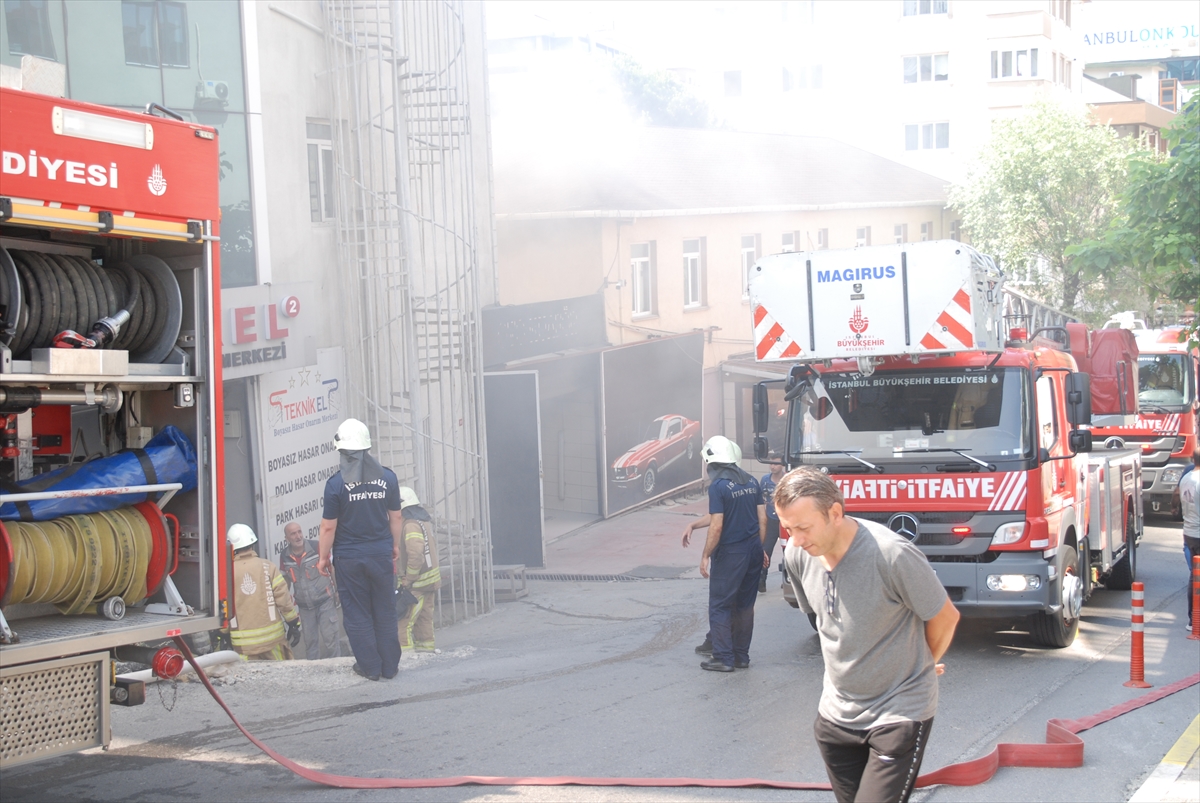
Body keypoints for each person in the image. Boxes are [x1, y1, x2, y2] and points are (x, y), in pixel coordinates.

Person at [775, 467, 960, 803]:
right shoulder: (797, 555)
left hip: (898, 713)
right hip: (836, 718)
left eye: (803, 528)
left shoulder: (891, 555)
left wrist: (922, 664)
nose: (796, 540)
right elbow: (829, 625)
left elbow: (945, 617)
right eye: (788, 528)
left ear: (835, 512)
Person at [317, 418, 404, 681]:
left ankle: (370, 668)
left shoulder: (335, 485)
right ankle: (390, 667)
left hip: (349, 558)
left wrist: (323, 558)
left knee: (357, 613)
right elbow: (396, 517)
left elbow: (328, 528)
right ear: (367, 449)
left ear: (342, 451)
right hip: (380, 555)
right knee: (385, 610)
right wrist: (394, 546)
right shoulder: (388, 478)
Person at [681, 435, 767, 672]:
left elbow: (718, 524)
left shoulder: (718, 487)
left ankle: (723, 657)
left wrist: (705, 555)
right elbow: (762, 520)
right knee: (745, 605)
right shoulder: (751, 481)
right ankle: (741, 656)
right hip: (752, 550)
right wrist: (693, 525)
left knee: (720, 605)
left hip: (732, 553)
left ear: (713, 462)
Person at [225, 523, 301, 661]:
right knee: (281, 677)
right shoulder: (268, 567)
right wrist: (293, 622)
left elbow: (224, 607)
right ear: (252, 544)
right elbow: (283, 600)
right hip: (273, 642)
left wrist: (223, 633)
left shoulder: (227, 574)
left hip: (243, 646)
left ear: (231, 548)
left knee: (249, 681)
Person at [279, 521, 342, 659]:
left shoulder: (317, 547)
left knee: (331, 640)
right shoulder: (284, 556)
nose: (298, 536)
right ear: (287, 538)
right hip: (305, 607)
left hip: (325, 601)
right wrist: (285, 605)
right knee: (310, 644)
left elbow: (332, 569)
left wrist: (338, 591)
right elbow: (286, 583)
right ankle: (315, 675)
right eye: (293, 534)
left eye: (299, 532)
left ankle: (337, 671)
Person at [396, 487, 442, 652]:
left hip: (417, 583)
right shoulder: (423, 521)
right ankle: (426, 652)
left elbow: (416, 555)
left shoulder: (410, 525)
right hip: (430, 581)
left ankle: (406, 657)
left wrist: (409, 579)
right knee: (424, 619)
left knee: (403, 621)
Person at [1180, 447, 1200, 629]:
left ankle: (1193, 619)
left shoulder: (1186, 478)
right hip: (1198, 533)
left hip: (1189, 532)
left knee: (1194, 576)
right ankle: (1195, 619)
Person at [759, 461, 786, 593]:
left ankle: (788, 579)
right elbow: (759, 500)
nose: (773, 466)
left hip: (786, 522)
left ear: (782, 465)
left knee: (788, 551)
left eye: (776, 463)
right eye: (771, 464)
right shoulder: (765, 480)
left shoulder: (788, 479)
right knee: (766, 549)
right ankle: (761, 580)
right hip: (770, 520)